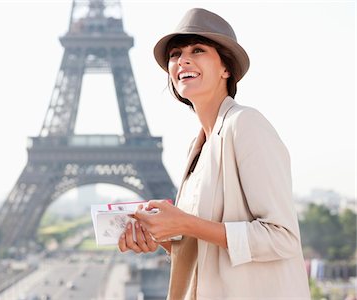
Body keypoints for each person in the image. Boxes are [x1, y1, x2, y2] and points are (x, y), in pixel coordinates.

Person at [118, 8, 311, 300]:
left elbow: (282, 238)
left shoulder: (246, 124)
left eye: (198, 50)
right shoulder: (197, 149)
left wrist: (184, 223)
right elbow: (205, 247)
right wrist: (161, 236)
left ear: (226, 69)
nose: (183, 59)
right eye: (175, 54)